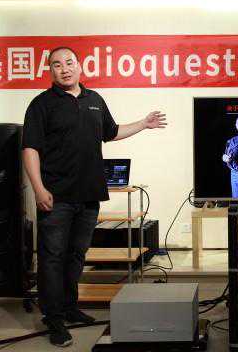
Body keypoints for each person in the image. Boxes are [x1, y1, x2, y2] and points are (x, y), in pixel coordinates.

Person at [22, 46, 167, 347]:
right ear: (50, 70)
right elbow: (30, 148)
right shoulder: (41, 104)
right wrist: (38, 188)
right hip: (56, 197)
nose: (64, 69)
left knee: (76, 256)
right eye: (57, 64)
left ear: (80, 66)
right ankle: (54, 318)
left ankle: (69, 307)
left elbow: (111, 132)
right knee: (52, 259)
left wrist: (143, 124)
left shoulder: (95, 100)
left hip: (89, 196)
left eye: (69, 63)